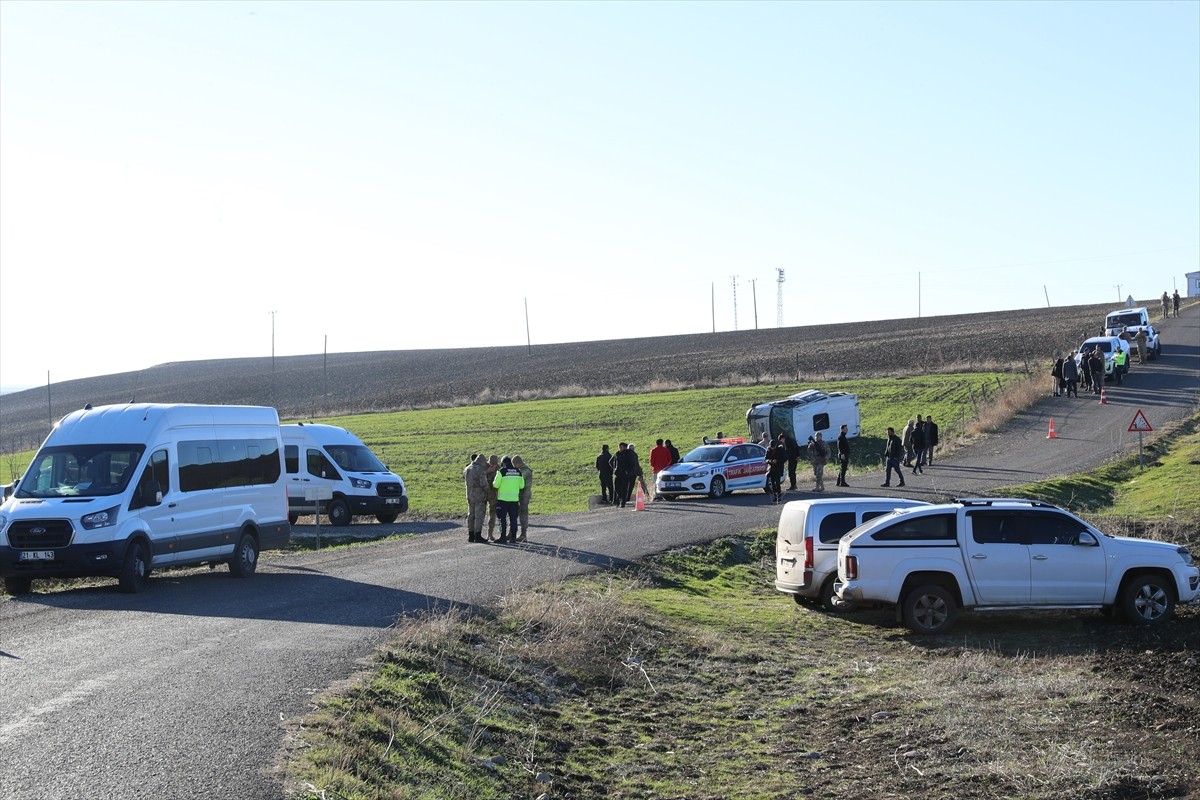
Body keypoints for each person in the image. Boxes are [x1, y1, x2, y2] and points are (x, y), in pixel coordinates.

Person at [491, 456, 524, 543]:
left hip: (503, 500)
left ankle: (503, 538)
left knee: (502, 519)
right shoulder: (518, 471)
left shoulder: (501, 471)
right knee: (513, 519)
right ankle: (513, 538)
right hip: (514, 500)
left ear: (503, 463)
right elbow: (522, 486)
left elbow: (495, 485)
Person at [462, 454, 489, 543]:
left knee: (471, 515)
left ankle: (471, 535)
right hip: (479, 496)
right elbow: (483, 484)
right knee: (479, 516)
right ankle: (478, 535)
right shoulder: (480, 470)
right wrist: (488, 492)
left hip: (469, 495)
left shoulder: (467, 469)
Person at [512, 455, 533, 541]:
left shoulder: (525, 471)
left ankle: (523, 534)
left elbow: (520, 482)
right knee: (514, 513)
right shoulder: (522, 470)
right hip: (519, 495)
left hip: (524, 496)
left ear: (517, 463)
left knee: (523, 514)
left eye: (514, 464)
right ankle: (512, 532)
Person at [612, 442, 637, 508]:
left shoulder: (628, 454)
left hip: (625, 474)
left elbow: (632, 464)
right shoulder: (617, 454)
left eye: (621, 447)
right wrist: (615, 469)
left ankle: (623, 502)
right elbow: (612, 462)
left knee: (624, 489)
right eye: (619, 447)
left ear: (625, 447)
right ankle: (621, 498)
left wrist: (627, 471)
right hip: (618, 473)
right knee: (616, 487)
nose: (620, 449)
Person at [765, 434, 787, 503]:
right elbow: (765, 459)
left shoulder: (780, 449)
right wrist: (770, 461)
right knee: (772, 483)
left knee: (777, 483)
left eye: (773, 447)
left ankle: (779, 496)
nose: (772, 448)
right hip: (771, 469)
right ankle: (774, 496)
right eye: (771, 447)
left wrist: (777, 461)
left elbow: (784, 458)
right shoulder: (768, 450)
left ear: (776, 445)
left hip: (778, 468)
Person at [484, 454, 501, 541]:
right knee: (480, 514)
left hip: (494, 494)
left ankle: (490, 534)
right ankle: (477, 534)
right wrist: (487, 471)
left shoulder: (499, 468)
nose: (493, 466)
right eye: (492, 464)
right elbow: (476, 477)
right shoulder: (484, 466)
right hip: (483, 493)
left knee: (492, 514)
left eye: (495, 465)